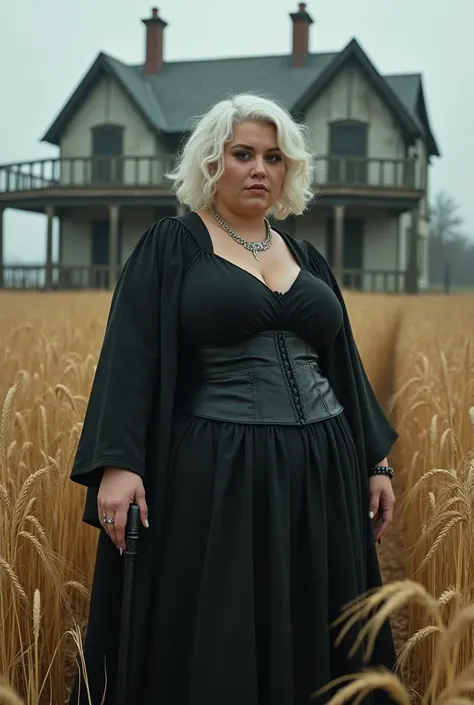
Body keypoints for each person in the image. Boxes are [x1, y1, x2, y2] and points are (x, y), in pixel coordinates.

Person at [69, 93, 398, 705]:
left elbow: (342, 364)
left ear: (288, 170)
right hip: (218, 469)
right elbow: (130, 355)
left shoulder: (307, 257)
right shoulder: (171, 246)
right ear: (211, 163)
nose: (259, 169)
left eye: (274, 157)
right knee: (223, 625)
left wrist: (374, 463)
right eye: (242, 154)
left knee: (316, 617)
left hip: (321, 469)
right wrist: (119, 463)